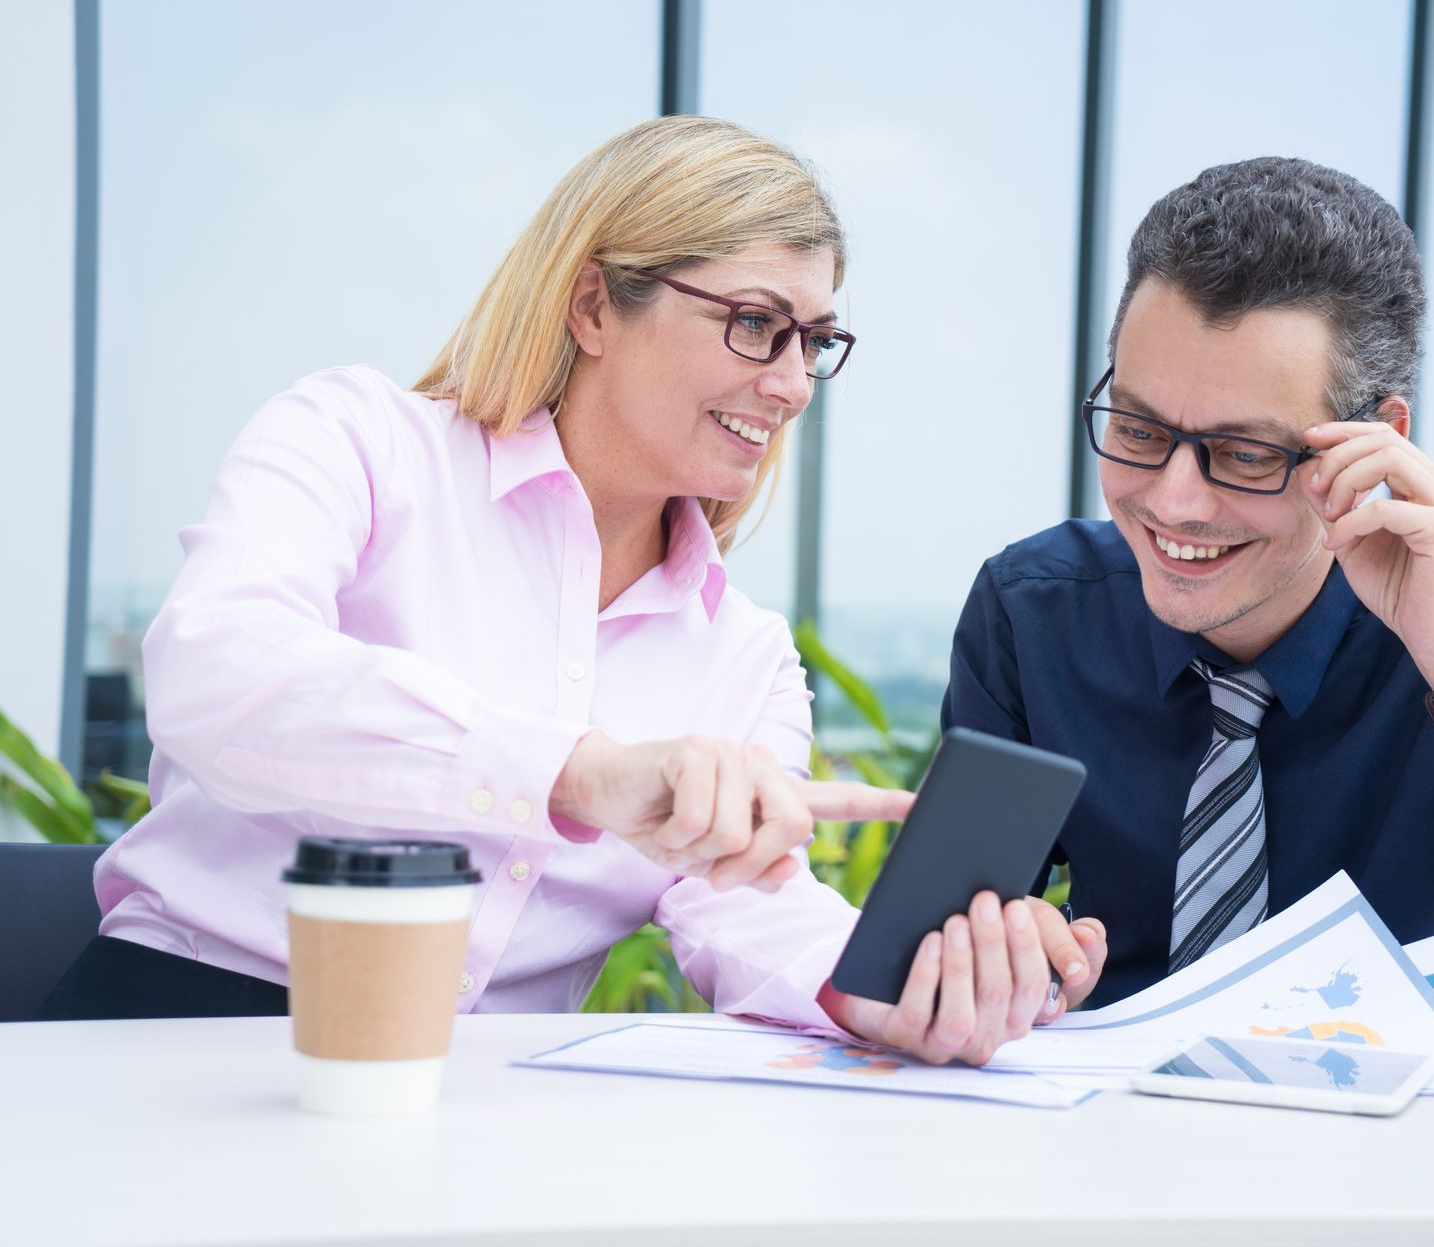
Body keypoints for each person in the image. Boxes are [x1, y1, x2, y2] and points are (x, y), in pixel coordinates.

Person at [43, 117, 1105, 1064]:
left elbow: (744, 906)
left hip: (482, 1106)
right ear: (594, 303)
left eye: (815, 343)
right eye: (754, 323)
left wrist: (895, 991)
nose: (789, 384)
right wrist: (577, 773)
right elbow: (217, 675)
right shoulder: (357, 442)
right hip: (172, 1047)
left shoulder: (742, 655)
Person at [944, 157, 1434, 1008]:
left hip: (1407, 1132)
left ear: (1374, 439)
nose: (1172, 500)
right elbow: (940, 940)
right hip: (1100, 1119)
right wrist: (994, 947)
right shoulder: (1034, 614)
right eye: (1139, 430)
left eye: (1246, 454)